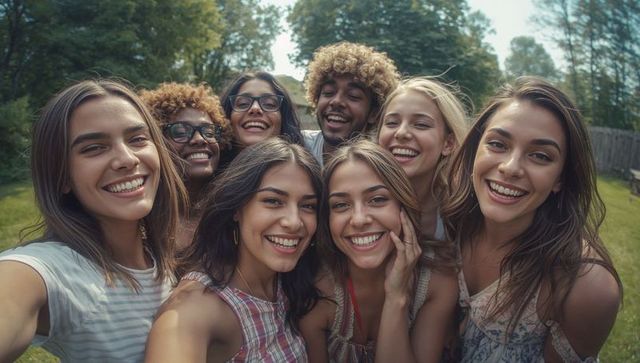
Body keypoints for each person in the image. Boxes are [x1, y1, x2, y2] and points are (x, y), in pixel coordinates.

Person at [0, 79, 187, 362]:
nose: (126, 159)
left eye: (137, 139)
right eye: (94, 148)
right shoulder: (54, 272)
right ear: (62, 176)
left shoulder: (162, 261)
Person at [442, 77, 622, 362]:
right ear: (476, 149)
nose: (510, 168)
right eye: (498, 144)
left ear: (560, 178)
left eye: (540, 156)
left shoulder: (583, 286)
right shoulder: (446, 226)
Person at [145, 138, 321, 362]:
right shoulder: (195, 309)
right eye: (273, 201)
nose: (294, 222)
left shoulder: (289, 283)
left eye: (308, 206)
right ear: (237, 208)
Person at [300, 140, 458, 362]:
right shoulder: (317, 287)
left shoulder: (437, 281)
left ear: (403, 205)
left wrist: (397, 297)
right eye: (341, 205)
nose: (359, 220)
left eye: (377, 200)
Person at [140, 82, 231, 249]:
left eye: (209, 131)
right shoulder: (140, 219)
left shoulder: (231, 215)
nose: (199, 139)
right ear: (157, 141)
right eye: (181, 131)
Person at [377, 77, 468, 240]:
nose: (401, 133)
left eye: (421, 124)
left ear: (448, 143)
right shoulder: (354, 196)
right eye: (391, 123)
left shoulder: (463, 214)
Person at [302, 41, 400, 165]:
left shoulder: (383, 166)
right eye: (328, 92)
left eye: (353, 96)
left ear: (374, 113)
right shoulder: (298, 146)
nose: (336, 101)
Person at [218, 71, 304, 168]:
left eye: (269, 104)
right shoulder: (205, 175)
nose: (255, 108)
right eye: (243, 103)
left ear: (283, 118)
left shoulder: (299, 173)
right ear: (227, 116)